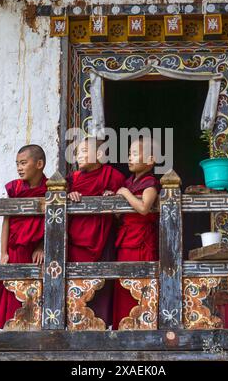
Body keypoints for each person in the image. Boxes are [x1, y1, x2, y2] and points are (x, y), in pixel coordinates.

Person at [0, 145, 47, 329]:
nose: (19, 168)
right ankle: (9, 329)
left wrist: (42, 246)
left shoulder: (50, 188)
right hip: (14, 249)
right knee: (10, 290)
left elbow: (54, 222)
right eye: (17, 164)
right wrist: (3, 252)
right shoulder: (14, 188)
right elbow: (7, 221)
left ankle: (30, 328)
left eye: (23, 163)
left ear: (39, 164)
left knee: (31, 290)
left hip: (34, 253)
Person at [67, 137, 125, 326]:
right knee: (76, 283)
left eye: (84, 151)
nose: (78, 156)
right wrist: (68, 195)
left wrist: (113, 198)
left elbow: (122, 216)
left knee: (102, 283)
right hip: (77, 240)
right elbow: (55, 197)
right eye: (77, 153)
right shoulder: (72, 179)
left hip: (103, 238)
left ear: (99, 155)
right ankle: (75, 322)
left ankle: (101, 323)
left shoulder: (113, 176)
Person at [113, 138, 161, 330]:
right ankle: (123, 326)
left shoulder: (150, 182)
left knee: (140, 286)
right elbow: (118, 214)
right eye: (129, 154)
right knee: (123, 285)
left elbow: (143, 208)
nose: (129, 158)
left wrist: (123, 193)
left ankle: (142, 327)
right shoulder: (129, 182)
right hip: (125, 241)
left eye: (135, 154)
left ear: (150, 160)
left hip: (142, 243)